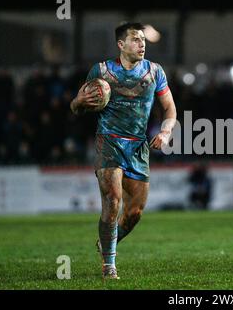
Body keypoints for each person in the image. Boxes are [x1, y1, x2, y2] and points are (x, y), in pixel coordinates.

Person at [70, 22, 177, 279]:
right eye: (135, 39)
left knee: (135, 213)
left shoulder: (154, 71)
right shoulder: (102, 71)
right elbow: (77, 107)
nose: (142, 44)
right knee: (113, 200)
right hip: (109, 141)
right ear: (121, 44)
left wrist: (165, 131)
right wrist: (78, 101)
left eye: (143, 40)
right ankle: (109, 265)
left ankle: (107, 243)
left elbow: (170, 109)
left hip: (139, 146)